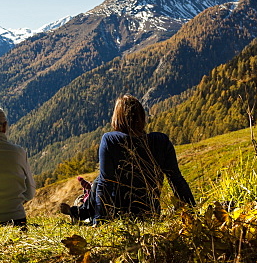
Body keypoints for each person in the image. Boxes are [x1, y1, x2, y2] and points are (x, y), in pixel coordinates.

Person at [61, 95, 194, 223]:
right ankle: (79, 212)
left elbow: (105, 184)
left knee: (99, 181)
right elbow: (176, 179)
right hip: (150, 210)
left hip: (117, 212)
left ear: (117, 118)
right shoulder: (161, 141)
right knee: (98, 181)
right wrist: (192, 211)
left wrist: (100, 220)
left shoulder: (110, 140)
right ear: (142, 116)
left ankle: (80, 212)